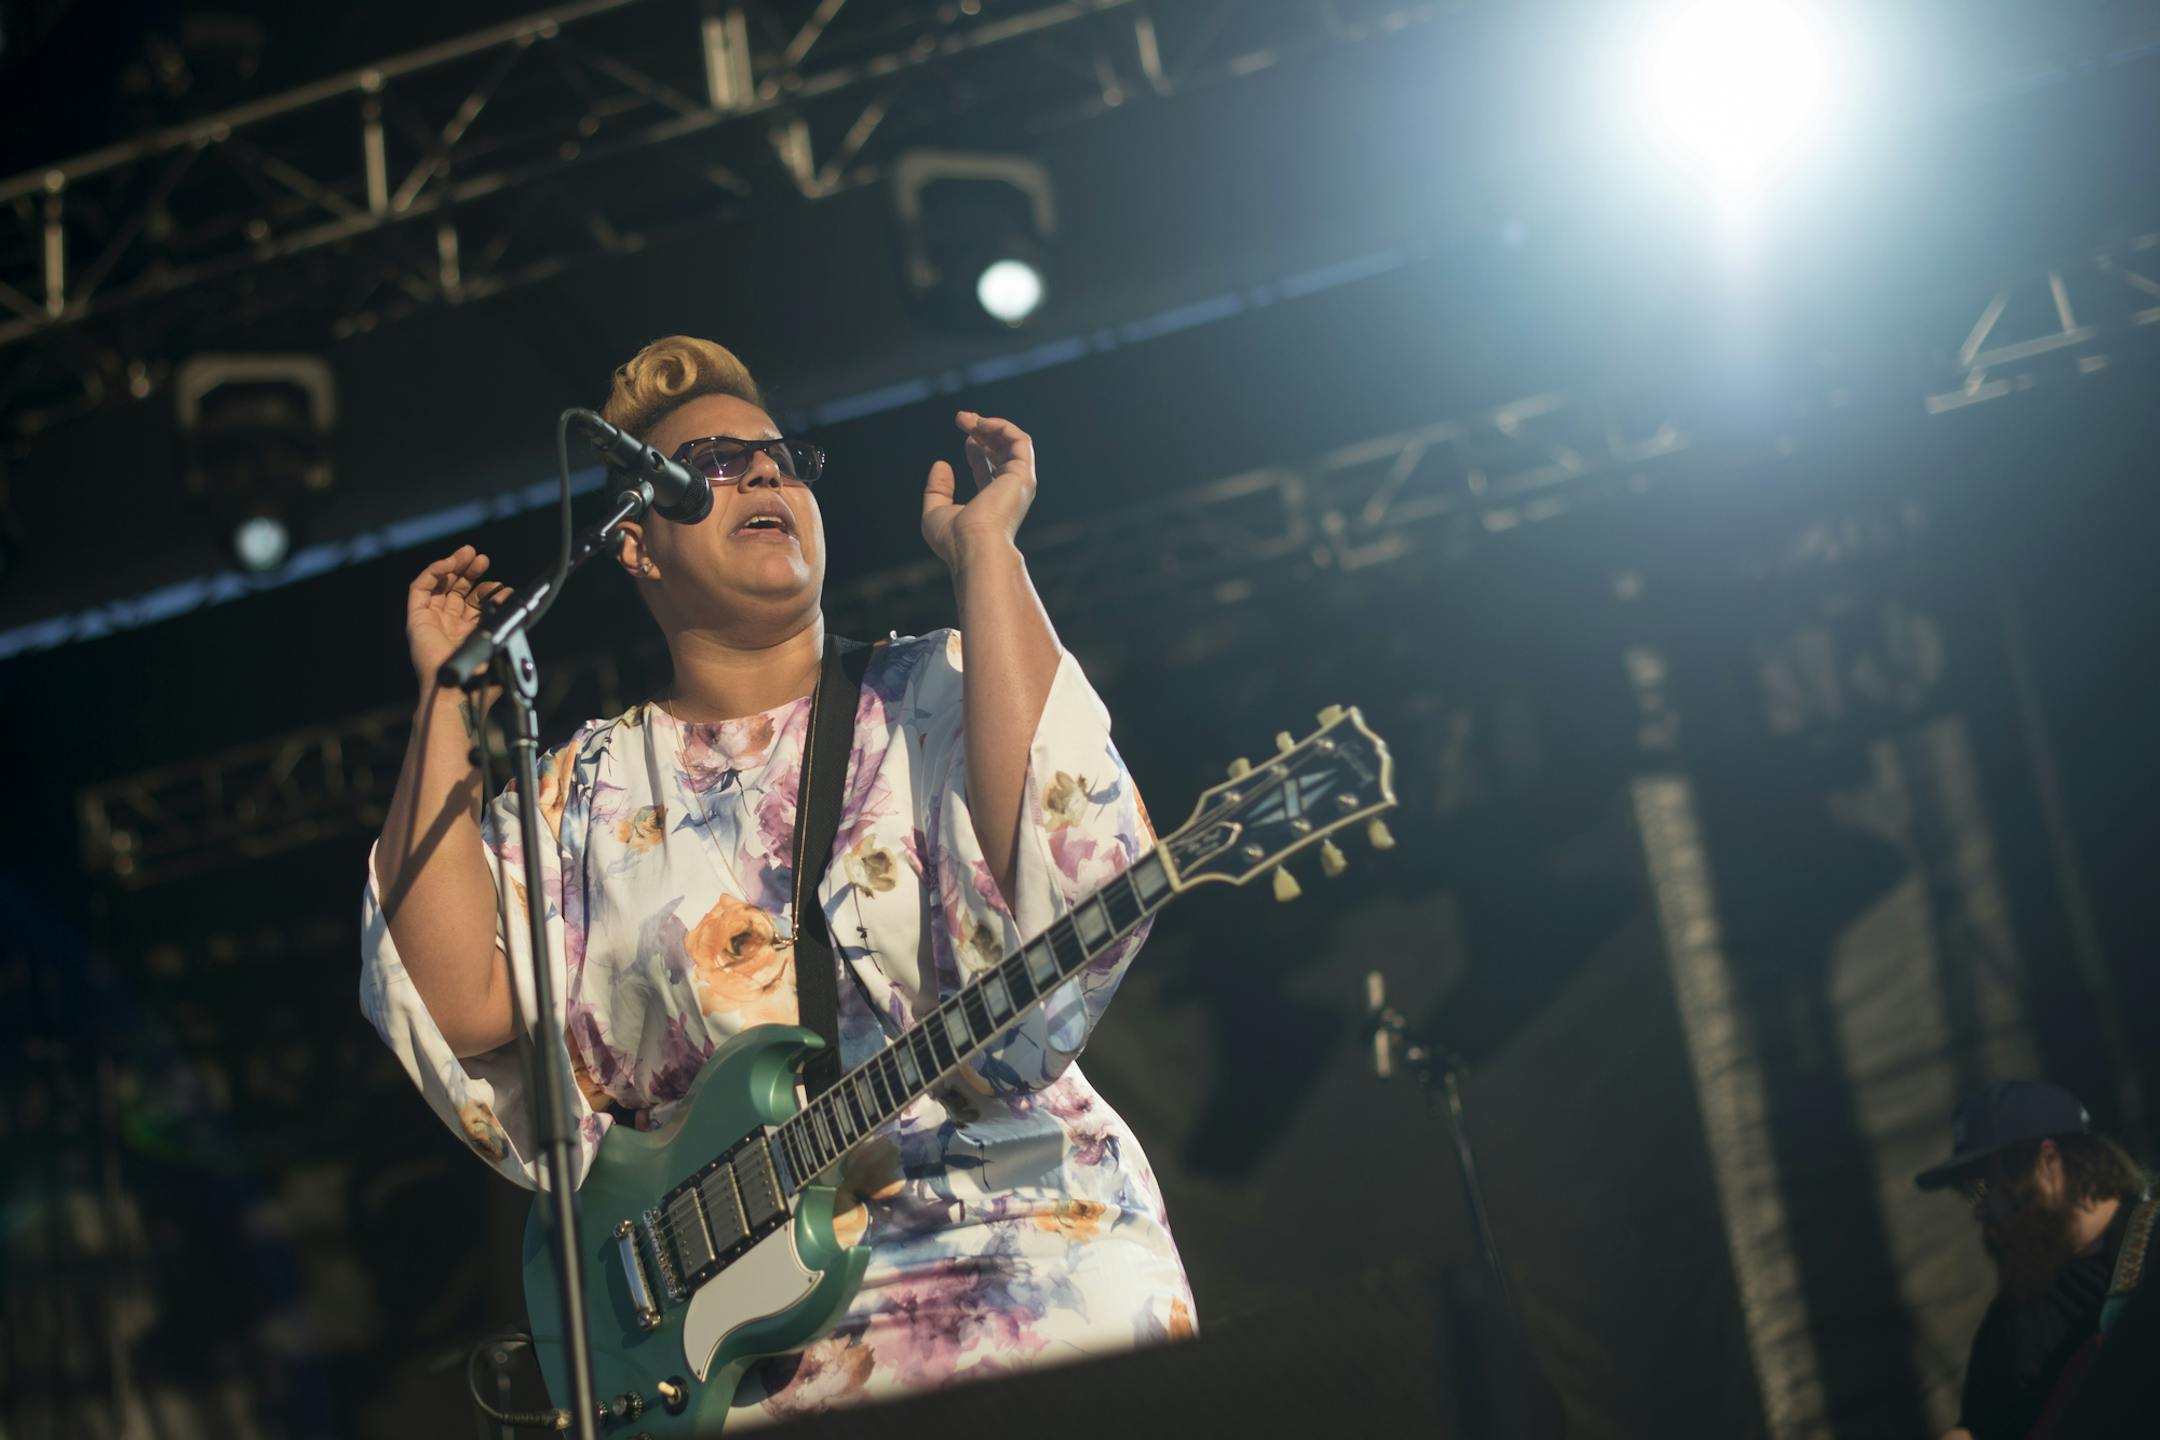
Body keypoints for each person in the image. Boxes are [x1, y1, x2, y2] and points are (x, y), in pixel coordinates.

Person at [360, 336, 1194, 1424]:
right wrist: (443, 698)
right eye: (712, 464)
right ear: (636, 544)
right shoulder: (582, 795)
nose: (763, 472)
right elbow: (455, 1002)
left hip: (1023, 1255)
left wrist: (986, 552)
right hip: (739, 1349)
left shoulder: (932, 690)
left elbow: (1070, 850)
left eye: (782, 459)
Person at [1916, 1080, 2155, 1440]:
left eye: (1984, 1186)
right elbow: (1977, 1430)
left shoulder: (2150, 1246)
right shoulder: (2013, 1315)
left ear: (2048, 1162)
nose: (1979, 1208)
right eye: (1968, 1193)